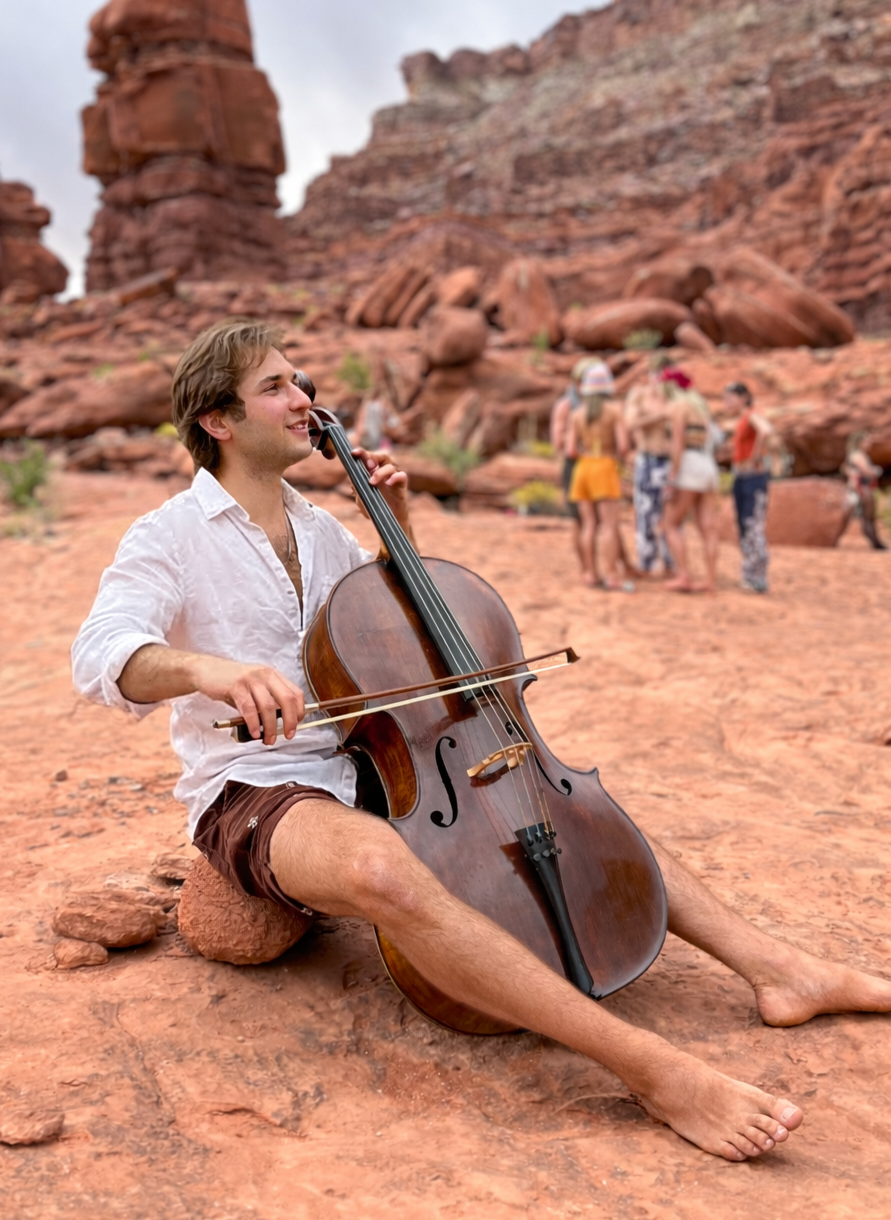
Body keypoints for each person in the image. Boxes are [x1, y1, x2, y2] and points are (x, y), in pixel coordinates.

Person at [72, 319, 891, 1163]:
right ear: (218, 418)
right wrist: (209, 670)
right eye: (277, 386)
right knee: (383, 871)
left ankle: (777, 968)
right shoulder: (167, 535)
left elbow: (393, 636)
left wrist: (400, 528)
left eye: (301, 381)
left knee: (565, 804)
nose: (304, 399)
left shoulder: (322, 531)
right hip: (261, 786)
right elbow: (101, 654)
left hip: (372, 760)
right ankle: (651, 1069)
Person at [565, 360, 632, 591]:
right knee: (609, 525)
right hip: (604, 465)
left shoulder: (577, 413)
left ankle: (590, 573)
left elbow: (570, 450)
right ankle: (612, 574)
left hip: (583, 468)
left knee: (588, 524)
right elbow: (623, 447)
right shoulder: (615, 411)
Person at [662, 368, 721, 593]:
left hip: (689, 465)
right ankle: (710, 580)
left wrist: (673, 475)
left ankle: (683, 575)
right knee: (708, 526)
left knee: (670, 523)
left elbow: (678, 443)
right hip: (708, 465)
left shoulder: (679, 407)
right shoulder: (700, 408)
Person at [722, 381, 773, 593]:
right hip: (741, 475)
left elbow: (766, 430)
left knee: (752, 522)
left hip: (752, 475)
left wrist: (755, 456)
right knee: (744, 522)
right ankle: (750, 573)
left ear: (743, 397)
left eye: (730, 398)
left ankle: (758, 576)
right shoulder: (741, 420)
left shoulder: (751, 414)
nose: (727, 403)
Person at [624, 366, 674, 577]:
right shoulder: (638, 396)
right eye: (655, 375)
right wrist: (659, 417)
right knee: (645, 512)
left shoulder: (672, 398)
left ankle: (670, 562)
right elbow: (630, 423)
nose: (657, 381)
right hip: (647, 459)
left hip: (669, 461)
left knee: (670, 513)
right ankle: (647, 561)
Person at [551, 362, 585, 578]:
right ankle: (586, 569)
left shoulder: (594, 404)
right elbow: (558, 441)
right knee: (581, 520)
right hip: (575, 465)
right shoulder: (566, 405)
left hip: (593, 464)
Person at [840, 436, 887, 551]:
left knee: (866, 517)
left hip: (861, 488)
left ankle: (875, 542)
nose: (869, 444)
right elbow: (867, 471)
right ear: (860, 442)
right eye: (866, 441)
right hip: (861, 488)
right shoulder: (858, 455)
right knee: (868, 517)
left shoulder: (856, 454)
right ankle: (876, 543)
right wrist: (877, 471)